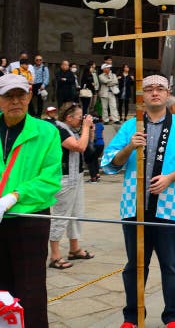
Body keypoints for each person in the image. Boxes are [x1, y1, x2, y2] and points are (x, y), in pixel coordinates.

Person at [102, 74, 175, 328]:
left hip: (170, 207)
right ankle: (132, 316)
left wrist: (170, 177)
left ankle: (173, 317)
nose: (154, 93)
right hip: (133, 206)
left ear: (168, 93)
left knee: (171, 265)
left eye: (160, 89)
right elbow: (109, 162)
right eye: (149, 89)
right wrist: (129, 148)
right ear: (142, 95)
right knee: (134, 266)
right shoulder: (130, 127)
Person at [0, 74, 62, 328]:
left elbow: (50, 179)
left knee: (30, 286)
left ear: (29, 97)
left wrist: (13, 197)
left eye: (20, 95)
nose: (15, 101)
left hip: (30, 219)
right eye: (8, 96)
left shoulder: (47, 132)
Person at [48, 102, 94, 269]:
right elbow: (78, 147)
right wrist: (87, 128)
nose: (82, 119)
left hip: (77, 176)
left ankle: (74, 249)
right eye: (79, 117)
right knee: (61, 215)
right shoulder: (58, 130)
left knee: (76, 213)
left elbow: (88, 149)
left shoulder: (72, 129)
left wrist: (88, 130)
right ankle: (54, 255)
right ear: (68, 118)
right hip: (65, 178)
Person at [88, 115, 104, 183]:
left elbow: (90, 135)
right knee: (95, 159)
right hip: (101, 144)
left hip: (94, 144)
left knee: (90, 160)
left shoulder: (90, 125)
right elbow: (102, 135)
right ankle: (97, 175)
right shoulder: (101, 125)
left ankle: (93, 178)